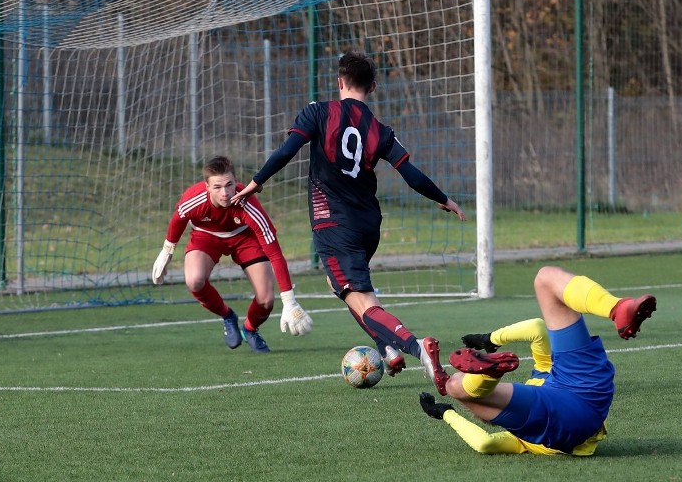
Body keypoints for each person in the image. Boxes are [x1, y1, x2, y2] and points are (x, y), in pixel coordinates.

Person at [231, 50, 465, 384]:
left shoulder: (318, 112)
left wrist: (254, 185)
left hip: (333, 224)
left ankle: (416, 347)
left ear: (339, 81)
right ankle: (387, 347)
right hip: (369, 225)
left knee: (360, 297)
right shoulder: (380, 129)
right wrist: (444, 199)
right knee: (337, 283)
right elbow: (410, 174)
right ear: (373, 87)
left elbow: (286, 152)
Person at [418, 265, 657, 456]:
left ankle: (620, 308)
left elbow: (485, 443)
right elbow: (536, 328)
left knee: (458, 389)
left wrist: (444, 413)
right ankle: (615, 307)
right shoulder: (543, 371)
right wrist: (490, 339)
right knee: (545, 277)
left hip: (584, 404)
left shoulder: (521, 432)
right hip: (571, 397)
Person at [151, 155, 313, 353]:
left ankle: (250, 329)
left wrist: (289, 301)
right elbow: (178, 220)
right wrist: (166, 251)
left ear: (236, 182)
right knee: (194, 281)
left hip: (244, 238)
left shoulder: (248, 205)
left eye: (229, 185)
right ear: (207, 186)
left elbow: (276, 255)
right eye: (217, 187)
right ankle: (228, 316)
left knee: (266, 299)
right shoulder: (194, 199)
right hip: (206, 236)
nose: (225, 193)